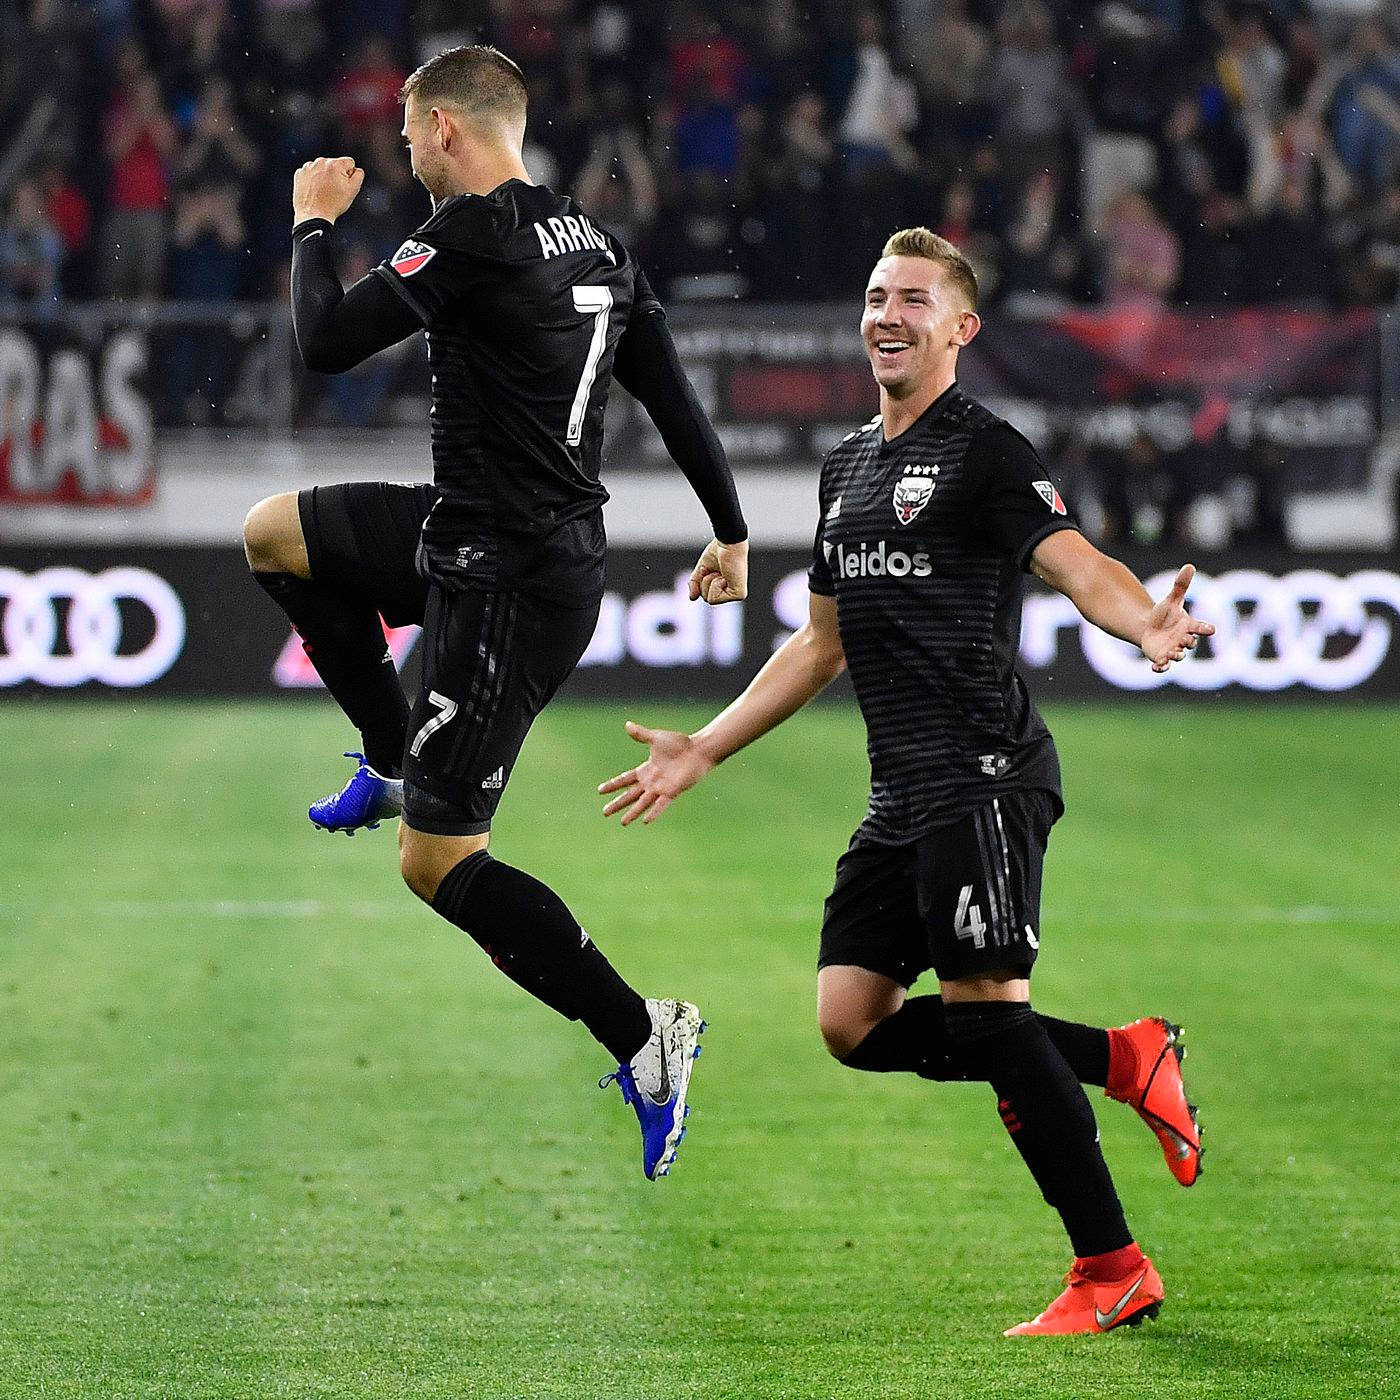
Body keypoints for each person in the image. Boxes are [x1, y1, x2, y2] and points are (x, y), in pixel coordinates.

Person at [599, 228, 1212, 1333]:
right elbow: (817, 643)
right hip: (902, 793)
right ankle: (1122, 1054)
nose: (887, 314)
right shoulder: (846, 467)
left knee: (986, 1014)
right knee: (851, 1021)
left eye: (913, 300)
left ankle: (1110, 1263)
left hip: (984, 772)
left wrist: (1140, 620)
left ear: (959, 328)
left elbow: (1078, 563)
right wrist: (704, 744)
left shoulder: (985, 450)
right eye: (875, 295)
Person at [241, 46, 750, 1182]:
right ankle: (389, 752)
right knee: (274, 532)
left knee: (436, 860)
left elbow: (324, 341)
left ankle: (644, 1032)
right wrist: (730, 525)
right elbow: (665, 389)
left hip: (510, 581)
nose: (402, 152)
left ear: (446, 129)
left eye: (409, 134)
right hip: (471, 531)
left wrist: (312, 223)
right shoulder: (598, 241)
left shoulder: (469, 233)